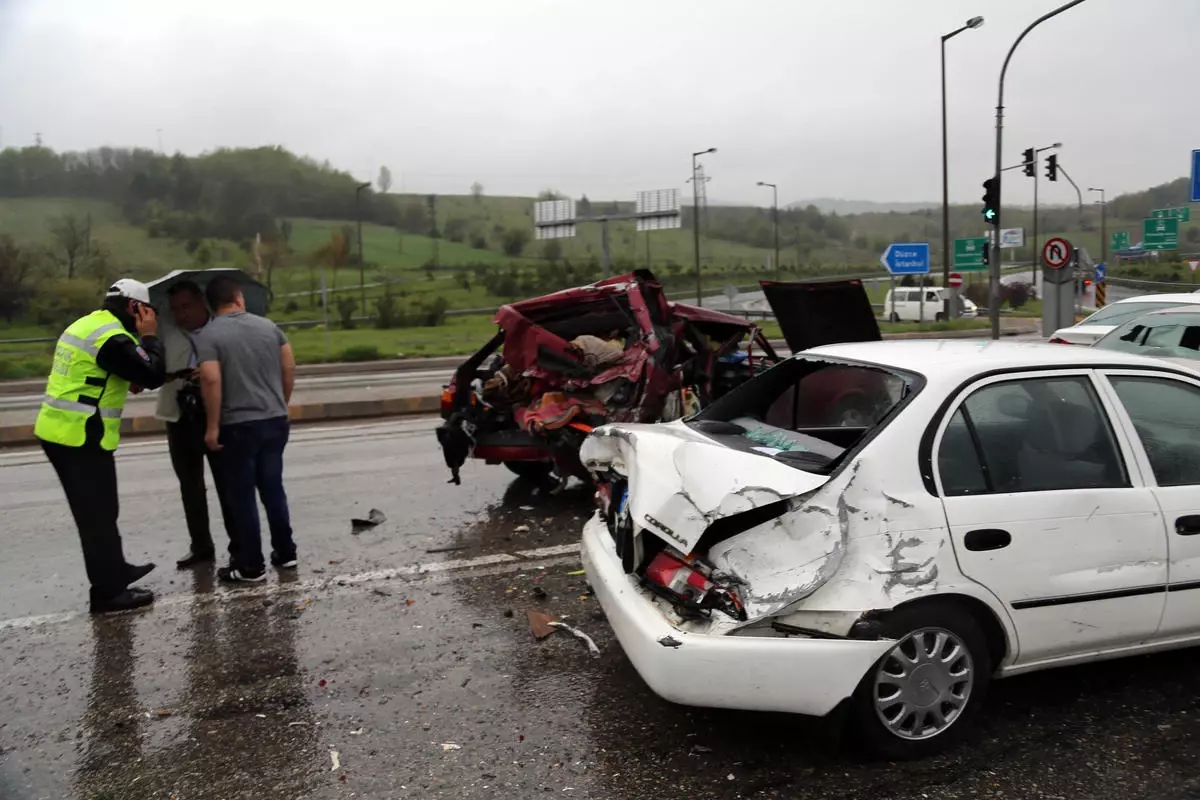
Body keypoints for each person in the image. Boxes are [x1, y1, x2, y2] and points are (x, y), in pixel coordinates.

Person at [35, 279, 168, 613]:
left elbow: (98, 369)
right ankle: (109, 594)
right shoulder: (113, 337)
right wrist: (150, 336)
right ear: (135, 307)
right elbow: (153, 375)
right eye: (148, 311)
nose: (150, 316)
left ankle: (115, 569)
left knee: (103, 511)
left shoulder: (89, 324)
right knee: (97, 517)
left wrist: (128, 373)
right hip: (79, 434)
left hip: (64, 431)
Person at [197, 276, 297, 583]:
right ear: (238, 298)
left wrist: (212, 427)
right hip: (274, 421)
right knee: (273, 490)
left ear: (211, 305)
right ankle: (286, 552)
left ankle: (251, 566)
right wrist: (281, 403)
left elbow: (211, 380)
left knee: (242, 497)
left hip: (237, 425)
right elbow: (289, 365)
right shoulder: (270, 327)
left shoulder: (209, 335)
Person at [155, 281, 237, 569]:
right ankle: (201, 546)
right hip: (179, 416)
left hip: (217, 414)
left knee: (228, 485)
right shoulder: (165, 330)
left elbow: (238, 367)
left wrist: (210, 373)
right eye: (176, 309)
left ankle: (239, 546)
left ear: (202, 302)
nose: (181, 314)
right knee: (190, 486)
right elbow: (153, 368)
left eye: (186, 306)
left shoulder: (225, 329)